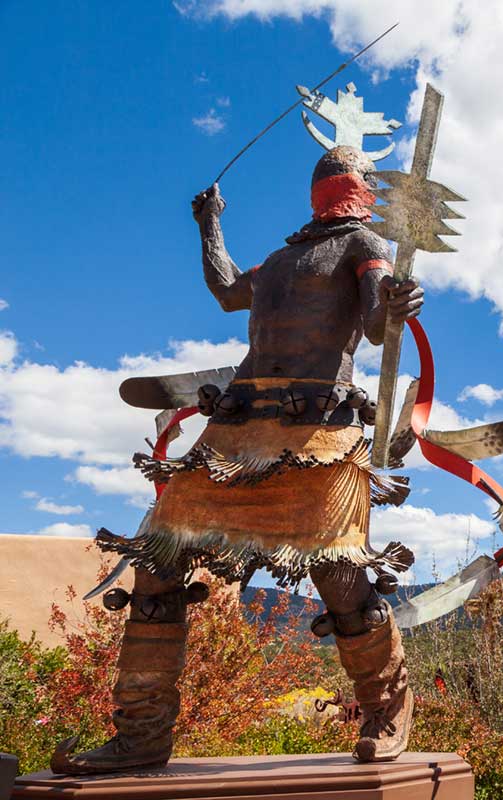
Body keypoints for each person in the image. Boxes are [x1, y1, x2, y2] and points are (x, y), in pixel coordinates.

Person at [52, 148, 427, 774]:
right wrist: (210, 224)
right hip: (234, 432)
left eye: (348, 176)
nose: (345, 183)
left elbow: (371, 323)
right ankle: (142, 734)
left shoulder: (364, 243)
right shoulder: (283, 258)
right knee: (160, 563)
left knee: (338, 578)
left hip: (317, 434)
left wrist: (394, 304)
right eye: (346, 177)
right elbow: (229, 290)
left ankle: (389, 711)